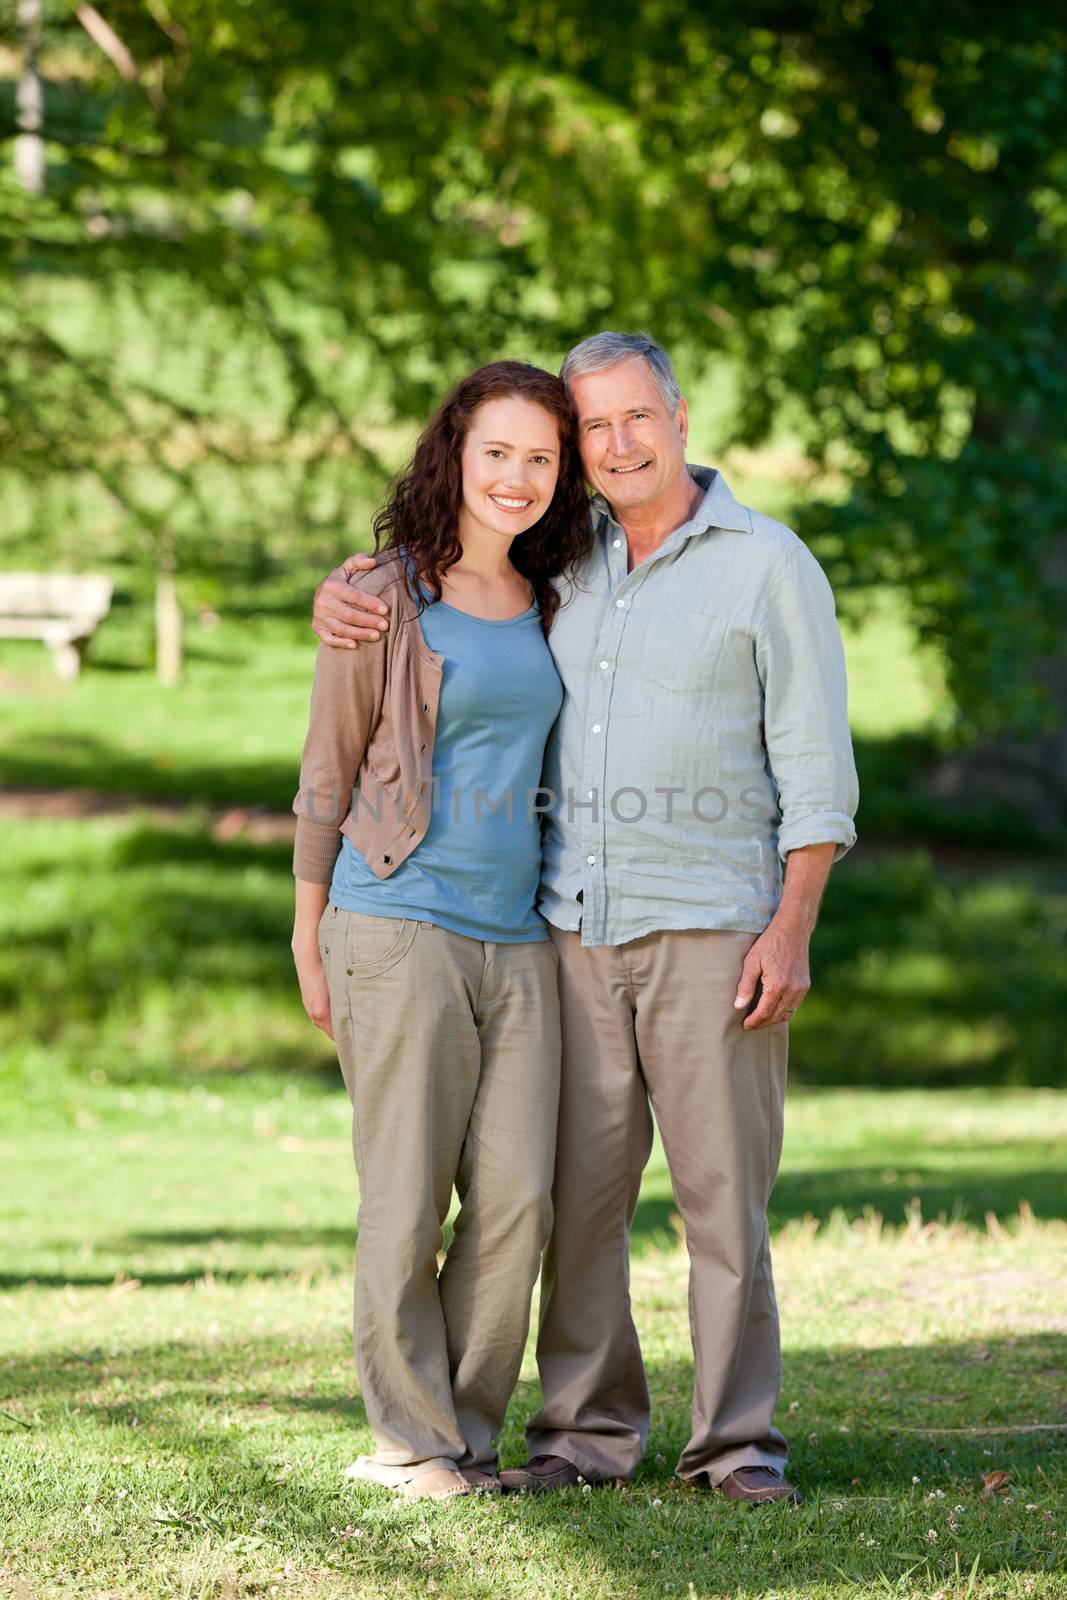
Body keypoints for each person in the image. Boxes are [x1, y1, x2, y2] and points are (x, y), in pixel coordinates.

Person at [311, 332, 859, 1506]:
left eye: (632, 420)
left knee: (722, 1205)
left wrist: (790, 924)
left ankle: (736, 1445)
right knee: (576, 1208)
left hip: (715, 929)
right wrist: (348, 585)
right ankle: (584, 1435)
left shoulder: (768, 565)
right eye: (590, 428)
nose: (613, 445)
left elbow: (816, 767)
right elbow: (430, 602)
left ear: (675, 415)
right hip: (564, 927)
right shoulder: (567, 559)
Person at [291, 360, 591, 1501]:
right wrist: (305, 925)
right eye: (496, 452)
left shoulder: (557, 592)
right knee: (405, 1194)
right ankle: (409, 1441)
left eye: (539, 458)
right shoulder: (380, 596)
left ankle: (464, 1432)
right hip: (395, 920)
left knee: (517, 1199)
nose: (515, 477)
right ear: (452, 458)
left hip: (516, 939)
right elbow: (325, 771)